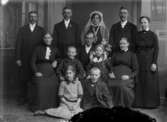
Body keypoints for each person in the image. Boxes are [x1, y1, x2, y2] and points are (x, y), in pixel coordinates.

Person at [15, 11, 45, 105]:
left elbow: (44, 44)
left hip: (36, 59)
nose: (33, 18)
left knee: (34, 78)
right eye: (31, 16)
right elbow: (18, 45)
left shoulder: (41, 30)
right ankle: (22, 98)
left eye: (34, 16)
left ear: (37, 18)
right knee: (23, 79)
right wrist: (18, 58)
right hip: (24, 58)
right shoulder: (22, 29)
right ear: (28, 18)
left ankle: (33, 99)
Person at [133, 16, 160, 108]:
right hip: (139, 60)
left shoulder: (153, 35)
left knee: (149, 81)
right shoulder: (137, 34)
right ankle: (139, 103)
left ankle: (150, 104)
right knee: (139, 81)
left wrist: (154, 63)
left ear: (148, 23)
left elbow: (156, 49)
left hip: (149, 60)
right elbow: (134, 49)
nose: (143, 24)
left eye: (145, 22)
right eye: (142, 22)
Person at [31, 33, 60, 115]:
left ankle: (51, 108)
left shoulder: (55, 49)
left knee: (54, 83)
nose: (47, 39)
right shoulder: (37, 48)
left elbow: (59, 57)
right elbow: (32, 62)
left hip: (51, 71)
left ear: (52, 39)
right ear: (43, 39)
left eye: (49, 38)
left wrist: (56, 61)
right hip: (40, 70)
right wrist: (36, 72)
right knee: (41, 84)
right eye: (45, 38)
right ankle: (40, 108)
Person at [108, 37, 138, 107]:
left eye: (124, 43)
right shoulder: (115, 54)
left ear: (128, 44)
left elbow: (136, 70)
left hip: (126, 76)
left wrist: (129, 76)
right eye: (120, 43)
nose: (122, 45)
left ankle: (122, 107)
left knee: (121, 86)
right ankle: (111, 105)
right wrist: (110, 72)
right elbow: (110, 65)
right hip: (114, 76)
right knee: (109, 85)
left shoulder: (132, 55)